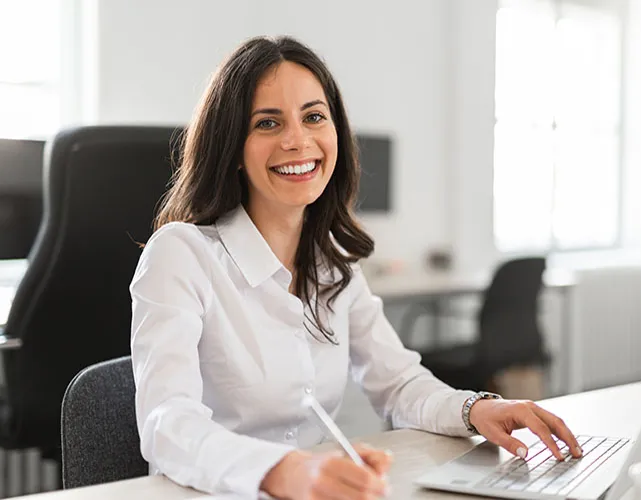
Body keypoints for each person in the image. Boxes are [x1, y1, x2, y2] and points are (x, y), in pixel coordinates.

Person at [130, 35, 582, 500]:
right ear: (232, 147)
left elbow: (399, 384)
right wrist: (282, 472)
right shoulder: (181, 254)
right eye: (267, 123)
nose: (296, 140)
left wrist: (477, 409)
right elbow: (168, 424)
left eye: (313, 117)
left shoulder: (332, 261)